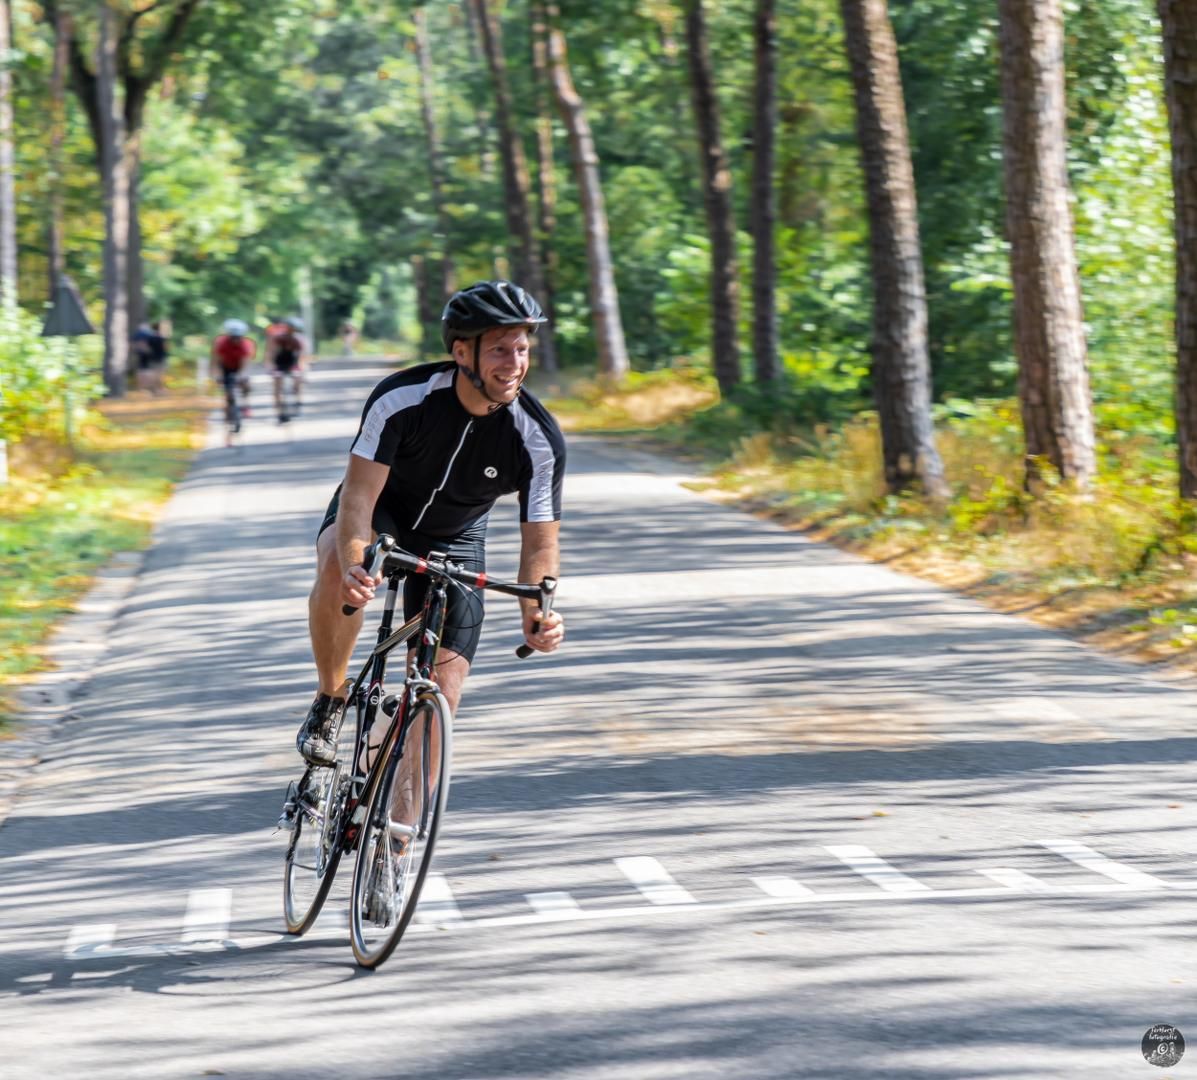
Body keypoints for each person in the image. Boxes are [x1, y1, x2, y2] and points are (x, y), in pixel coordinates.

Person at [295, 280, 567, 767]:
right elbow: (358, 495)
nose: (514, 362)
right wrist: (356, 564)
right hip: (382, 511)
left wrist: (538, 612)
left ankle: (402, 813)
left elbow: (540, 545)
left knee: (443, 694)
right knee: (338, 566)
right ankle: (331, 697)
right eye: (499, 349)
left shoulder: (537, 438)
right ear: (462, 352)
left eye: (522, 348)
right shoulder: (401, 399)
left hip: (456, 535)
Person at [211, 318, 256, 434]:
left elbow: (245, 365)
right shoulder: (221, 343)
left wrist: (241, 376)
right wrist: (217, 376)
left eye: (238, 337)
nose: (236, 340)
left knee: (245, 383)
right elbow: (216, 362)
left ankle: (246, 404)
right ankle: (228, 417)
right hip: (225, 367)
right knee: (228, 393)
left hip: (240, 367)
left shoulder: (246, 345)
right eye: (233, 337)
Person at [269, 316, 307, 423]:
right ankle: (279, 412)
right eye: (291, 328)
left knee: (298, 379)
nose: (292, 331)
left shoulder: (298, 340)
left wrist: (302, 371)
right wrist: (271, 366)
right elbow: (272, 353)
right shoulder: (279, 338)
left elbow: (301, 357)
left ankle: (298, 402)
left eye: (294, 329)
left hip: (293, 364)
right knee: (277, 385)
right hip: (280, 364)